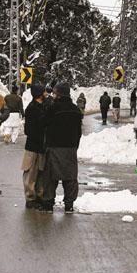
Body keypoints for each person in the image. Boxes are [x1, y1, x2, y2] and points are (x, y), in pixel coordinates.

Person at [40, 82, 83, 214]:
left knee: (50, 177)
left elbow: (44, 124)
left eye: (54, 93)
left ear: (58, 94)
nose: (53, 95)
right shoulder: (75, 110)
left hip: (54, 147)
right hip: (70, 148)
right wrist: (75, 145)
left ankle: (48, 203)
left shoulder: (53, 109)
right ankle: (69, 204)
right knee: (70, 177)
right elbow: (79, 131)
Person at [22, 84, 47, 209]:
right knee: (30, 173)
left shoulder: (44, 107)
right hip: (33, 146)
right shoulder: (31, 109)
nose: (46, 93)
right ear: (39, 94)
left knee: (41, 173)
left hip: (42, 146)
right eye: (44, 92)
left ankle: (39, 196)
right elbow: (28, 130)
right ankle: (30, 198)